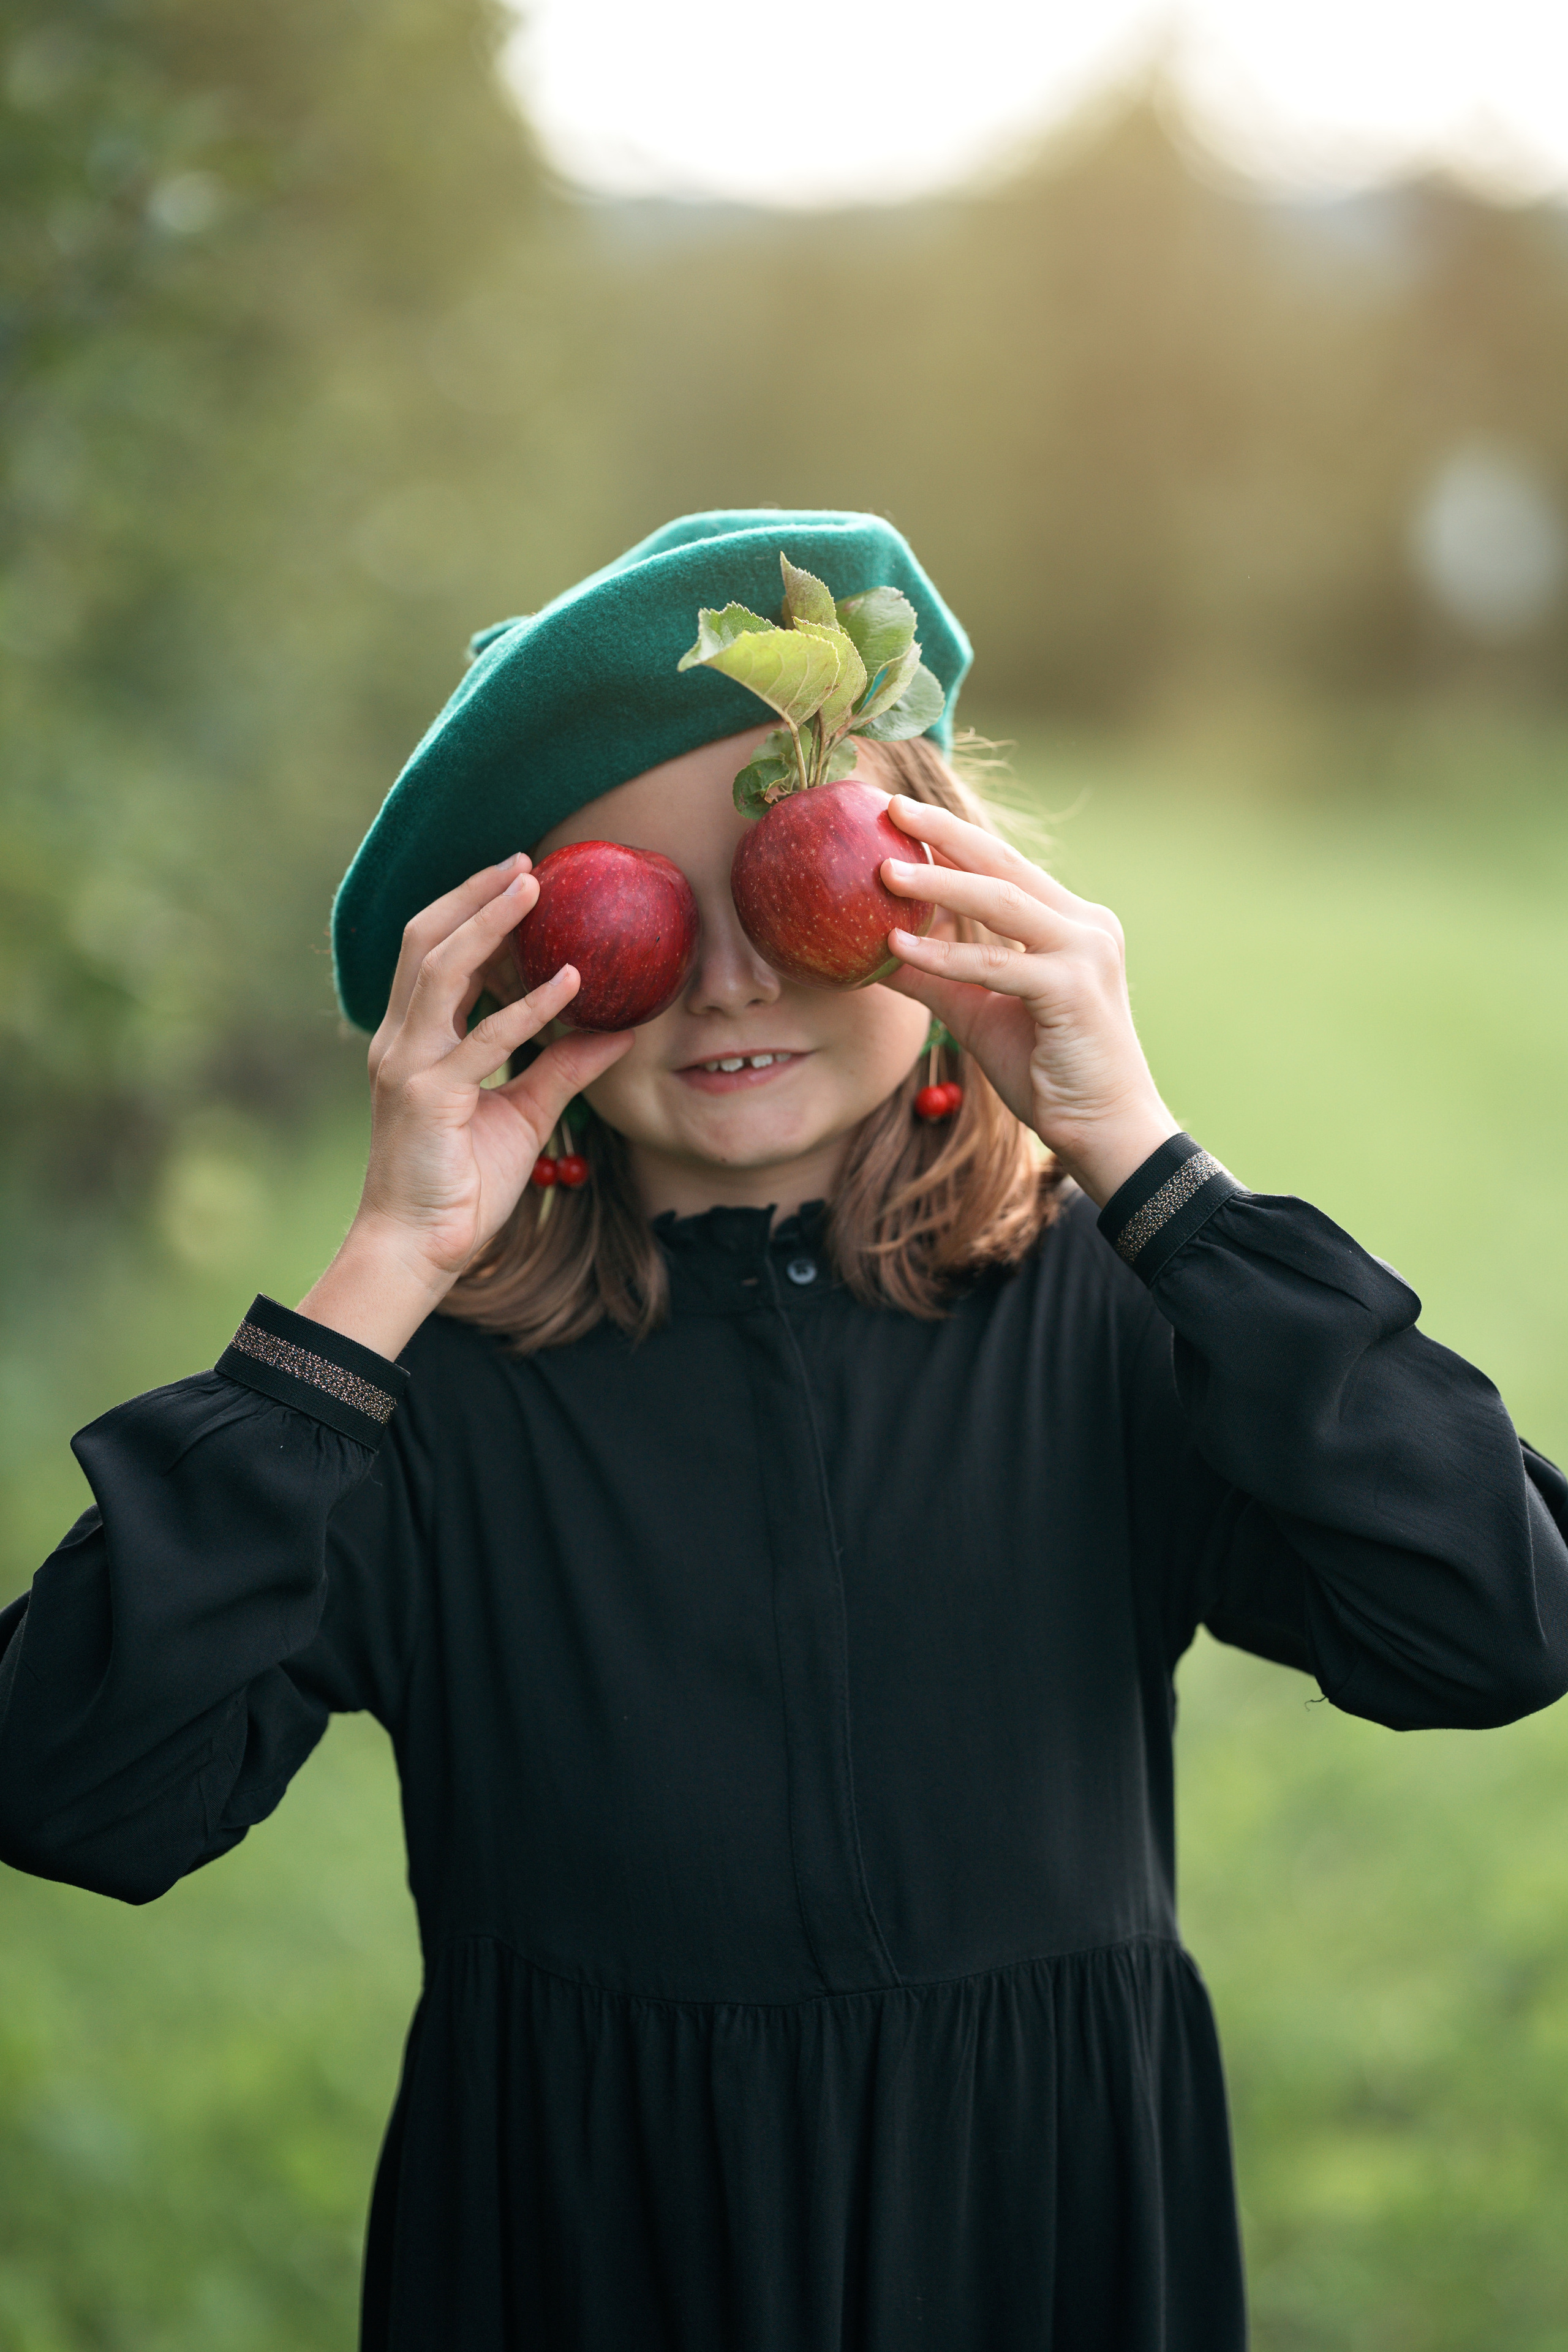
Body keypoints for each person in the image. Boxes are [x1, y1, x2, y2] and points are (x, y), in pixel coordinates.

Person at [2, 508, 1566, 2352]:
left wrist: (1144, 1163)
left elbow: (1494, 1619)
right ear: (520, 982)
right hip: (592, 2257)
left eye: (792, 884)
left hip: (1040, 2241)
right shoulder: (417, 1415)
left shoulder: (1117, 1330)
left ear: (940, 907)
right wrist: (384, 1271)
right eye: (644, 922)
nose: (739, 979)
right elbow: (75, 1786)